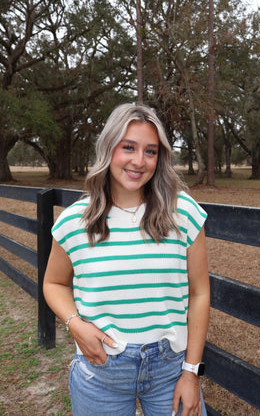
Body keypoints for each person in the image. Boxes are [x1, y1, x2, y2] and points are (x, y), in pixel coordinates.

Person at [43, 103, 210, 416]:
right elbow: (53, 283)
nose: (139, 161)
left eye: (150, 151)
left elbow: (200, 293)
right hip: (100, 372)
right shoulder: (74, 222)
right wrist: (74, 323)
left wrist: (191, 372)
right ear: (109, 149)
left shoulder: (183, 213)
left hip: (170, 372)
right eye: (128, 148)